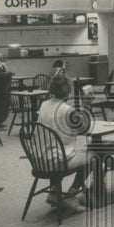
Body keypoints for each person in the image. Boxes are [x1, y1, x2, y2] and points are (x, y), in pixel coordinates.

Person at [35, 75, 88, 206]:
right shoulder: (68, 110)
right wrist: (86, 105)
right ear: (68, 91)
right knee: (92, 154)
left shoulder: (44, 105)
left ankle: (54, 190)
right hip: (57, 159)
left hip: (40, 158)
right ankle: (73, 191)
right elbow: (84, 129)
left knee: (56, 147)